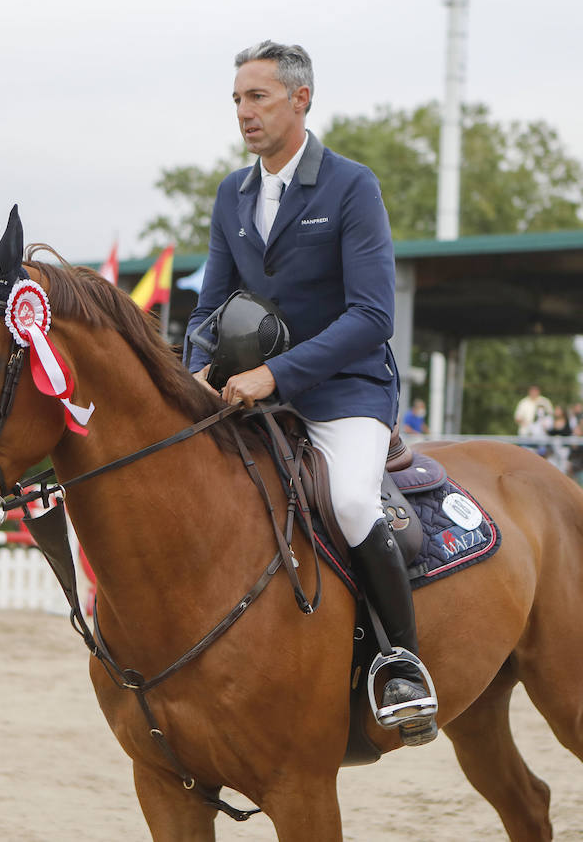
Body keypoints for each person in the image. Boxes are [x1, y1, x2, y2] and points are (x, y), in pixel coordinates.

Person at [186, 41, 436, 743]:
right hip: (251, 392)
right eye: (237, 99)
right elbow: (208, 309)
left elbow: (373, 316)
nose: (244, 112)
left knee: (353, 499)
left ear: (300, 99)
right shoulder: (231, 194)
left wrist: (279, 374)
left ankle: (401, 663)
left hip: (344, 391)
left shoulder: (351, 186)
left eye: (257, 96)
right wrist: (196, 367)